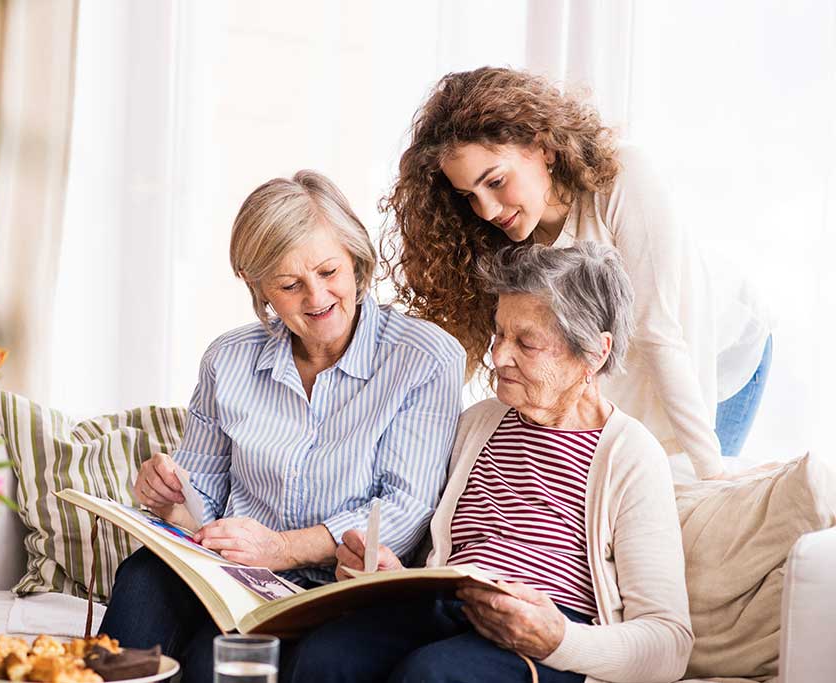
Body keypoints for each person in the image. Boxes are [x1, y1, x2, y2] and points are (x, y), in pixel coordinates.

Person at [100, 170, 466, 681]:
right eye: (290, 285)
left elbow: (403, 509)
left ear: (357, 260)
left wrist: (283, 549)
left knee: (212, 662)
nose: (316, 298)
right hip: (235, 577)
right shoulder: (228, 359)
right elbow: (200, 493)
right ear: (261, 289)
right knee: (143, 577)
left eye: (328, 271)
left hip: (338, 585)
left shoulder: (423, 357)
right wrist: (169, 499)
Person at [282, 242, 693, 683]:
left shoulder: (631, 455)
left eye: (527, 343)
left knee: (434, 675)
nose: (498, 356)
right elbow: (436, 558)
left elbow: (669, 642)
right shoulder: (478, 423)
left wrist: (559, 640)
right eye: (499, 334)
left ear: (594, 352)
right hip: (449, 606)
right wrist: (392, 573)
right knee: (324, 657)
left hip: (547, 633)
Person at [381, 66, 772, 478]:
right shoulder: (496, 237)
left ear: (544, 146)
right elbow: (459, 358)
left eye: (495, 181)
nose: (488, 210)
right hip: (631, 366)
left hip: (715, 354)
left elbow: (657, 332)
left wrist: (713, 475)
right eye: (469, 196)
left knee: (691, 502)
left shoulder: (622, 180)